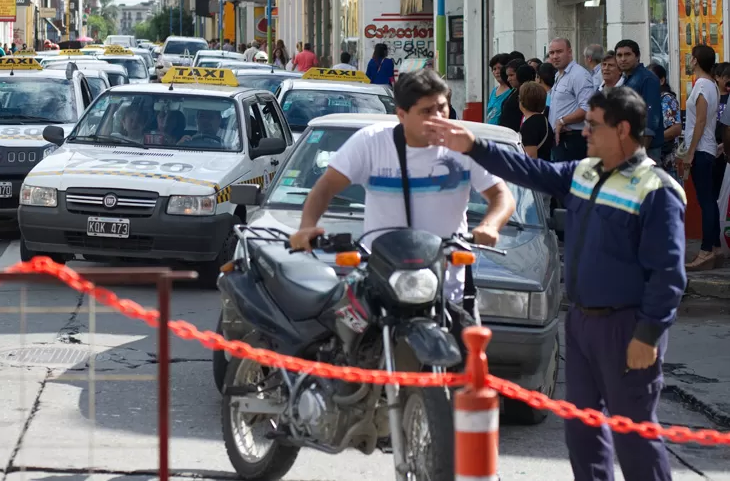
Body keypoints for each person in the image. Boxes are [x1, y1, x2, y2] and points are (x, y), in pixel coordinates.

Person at [424, 86, 686, 481]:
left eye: (594, 125)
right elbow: (529, 170)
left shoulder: (656, 191)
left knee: (634, 435)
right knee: (582, 432)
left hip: (627, 327)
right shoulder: (584, 172)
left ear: (623, 130)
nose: (585, 132)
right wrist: (475, 146)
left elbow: (668, 274)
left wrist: (648, 335)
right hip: (581, 324)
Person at [289, 69, 515, 312]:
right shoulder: (371, 142)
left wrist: (490, 226)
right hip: (383, 283)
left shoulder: (463, 145)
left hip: (447, 290)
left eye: (442, 108)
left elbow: (502, 196)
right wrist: (307, 227)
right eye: (426, 111)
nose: (438, 118)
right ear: (401, 115)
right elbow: (325, 187)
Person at [683, 45, 722, 270]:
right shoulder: (711, 86)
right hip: (705, 149)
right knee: (709, 201)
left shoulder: (702, 85)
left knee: (706, 201)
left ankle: (706, 250)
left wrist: (690, 152)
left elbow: (699, 121)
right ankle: (714, 247)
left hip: (701, 150)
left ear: (696, 60)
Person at [614, 40, 664, 164]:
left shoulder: (647, 78)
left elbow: (651, 119)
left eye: (627, 54)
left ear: (637, 56)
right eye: (619, 55)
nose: (623, 59)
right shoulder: (626, 79)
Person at [548, 37, 596, 162]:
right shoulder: (559, 75)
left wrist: (562, 121)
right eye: (552, 53)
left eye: (559, 52)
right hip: (560, 140)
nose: (555, 56)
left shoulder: (579, 75)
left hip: (573, 139)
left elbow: (588, 108)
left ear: (569, 52)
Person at [648, 63, 683, 183]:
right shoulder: (651, 99)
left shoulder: (667, 99)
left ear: (662, 80)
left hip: (668, 164)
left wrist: (651, 140)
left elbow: (676, 129)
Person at [486, 53, 512, 126]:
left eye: (499, 68)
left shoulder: (512, 91)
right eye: (494, 69)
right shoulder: (494, 91)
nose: (497, 72)